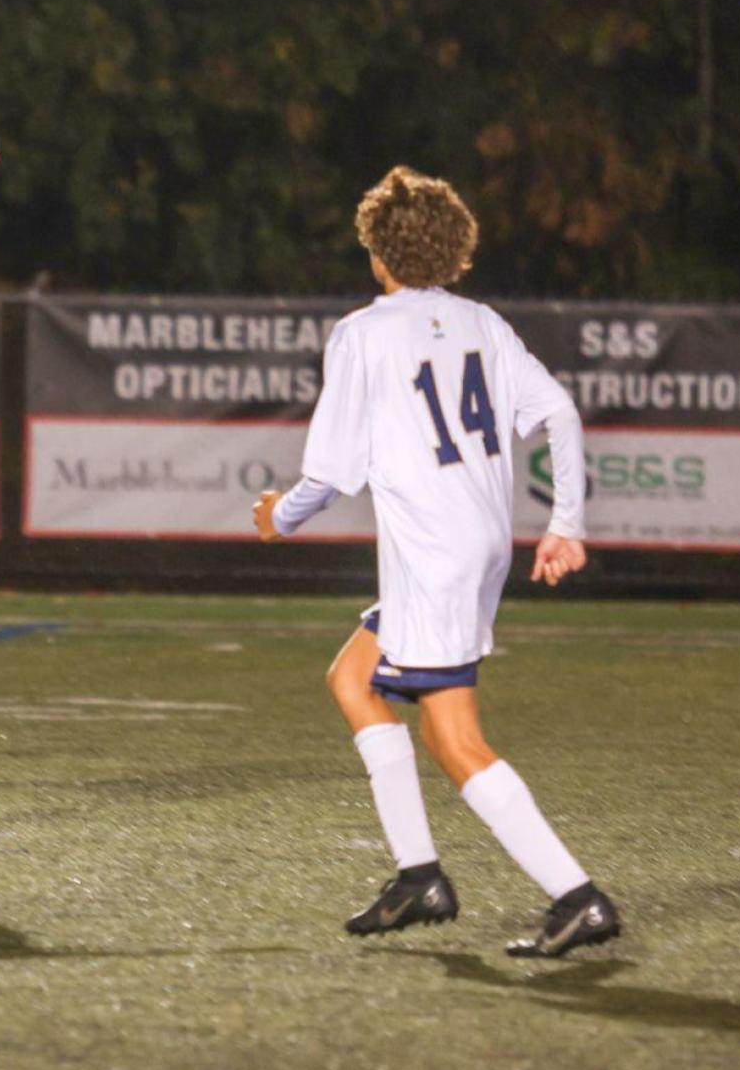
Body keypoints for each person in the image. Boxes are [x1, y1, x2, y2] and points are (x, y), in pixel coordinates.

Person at [254, 166, 619, 957]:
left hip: (433, 554)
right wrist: (565, 523)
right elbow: (558, 410)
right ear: (456, 252)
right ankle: (419, 874)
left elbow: (325, 475)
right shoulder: (482, 321)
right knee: (353, 677)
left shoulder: (363, 333)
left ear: (378, 254)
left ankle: (577, 896)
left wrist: (275, 520)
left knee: (455, 739)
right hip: (476, 542)